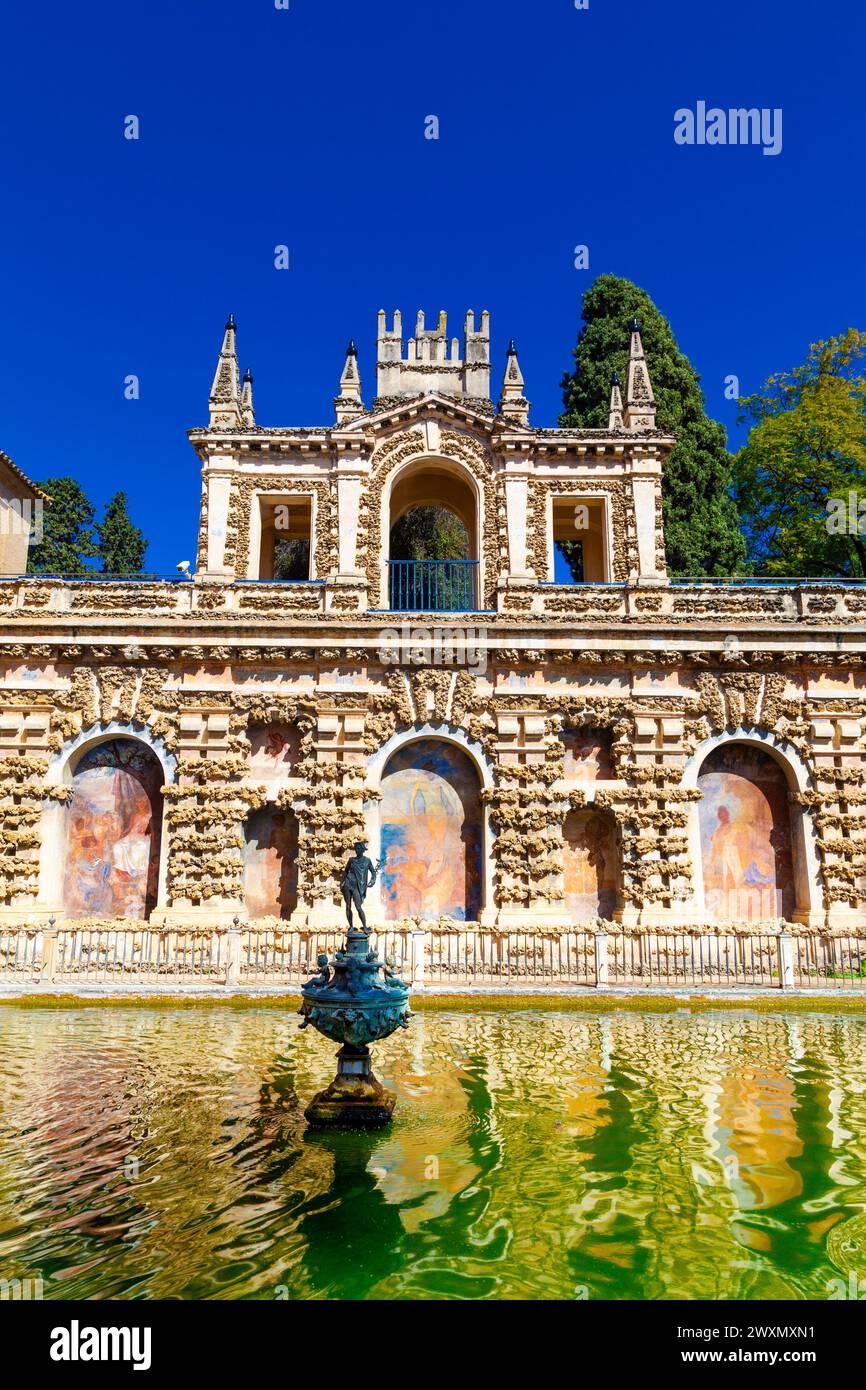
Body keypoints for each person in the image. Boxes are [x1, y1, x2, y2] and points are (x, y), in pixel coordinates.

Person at [340, 841, 378, 932]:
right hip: (347, 884)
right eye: (356, 848)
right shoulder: (351, 860)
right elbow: (345, 871)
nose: (357, 850)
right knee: (348, 906)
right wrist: (342, 882)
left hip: (357, 886)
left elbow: (373, 872)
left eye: (358, 848)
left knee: (358, 907)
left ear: (362, 850)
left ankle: (364, 926)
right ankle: (351, 926)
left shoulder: (367, 860)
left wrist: (372, 881)